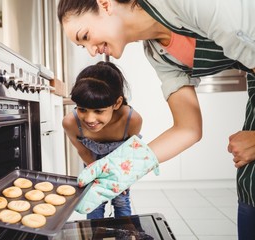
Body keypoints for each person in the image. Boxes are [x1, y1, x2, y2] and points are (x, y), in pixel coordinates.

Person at [57, 0, 255, 239]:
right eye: (82, 46)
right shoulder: (158, 54)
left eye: (86, 35)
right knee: (250, 184)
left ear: (105, 4)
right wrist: (124, 168)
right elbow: (188, 128)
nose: (91, 51)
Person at [62, 61, 143, 219]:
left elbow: (130, 152)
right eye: (82, 109)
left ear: (117, 103)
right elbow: (83, 151)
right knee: (93, 202)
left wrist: (121, 179)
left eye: (99, 111)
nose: (90, 119)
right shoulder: (70, 122)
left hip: (121, 165)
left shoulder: (131, 120)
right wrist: (96, 176)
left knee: (121, 200)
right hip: (92, 163)